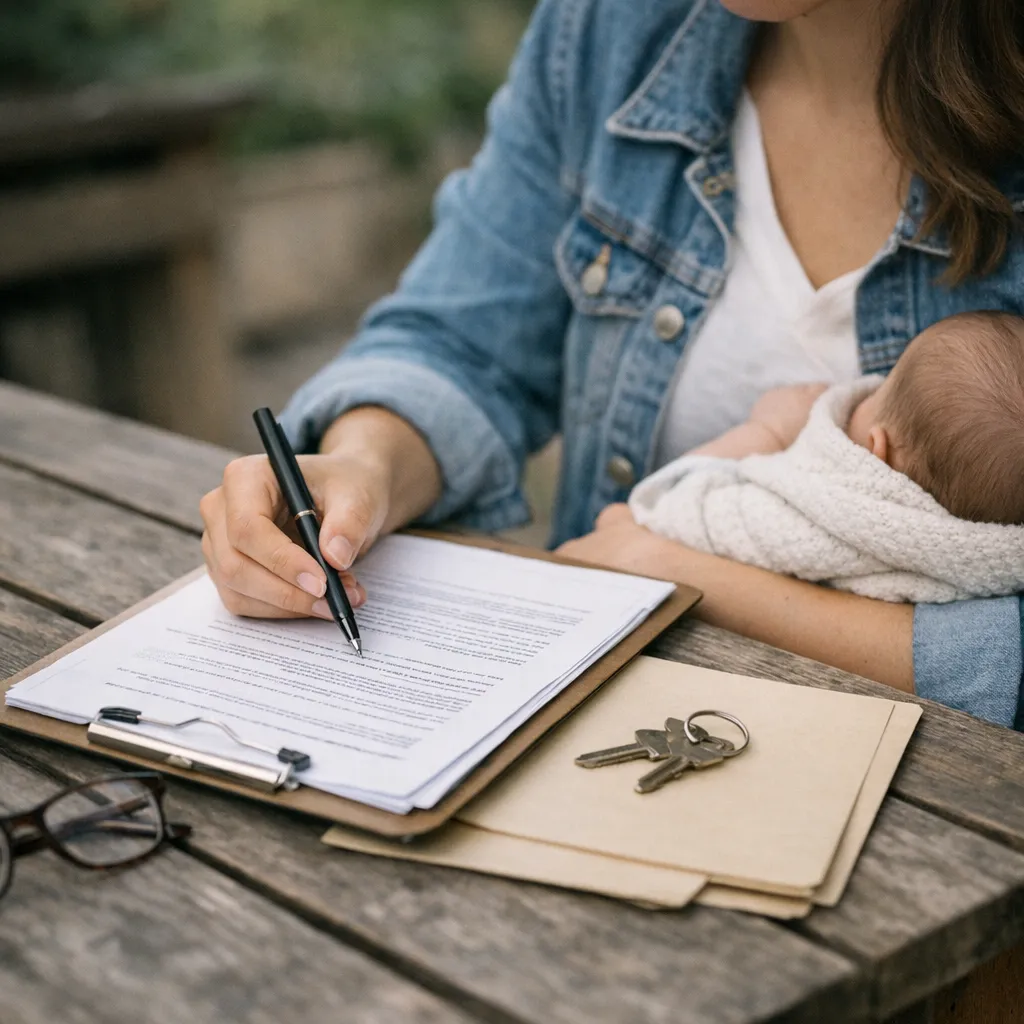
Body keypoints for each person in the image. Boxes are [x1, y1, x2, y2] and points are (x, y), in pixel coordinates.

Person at [199, 0, 1024, 730]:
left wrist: (671, 574)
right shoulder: (610, 28)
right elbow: (463, 338)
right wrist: (360, 467)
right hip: (589, 719)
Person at [628, 312, 1024, 603]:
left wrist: (767, 431)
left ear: (877, 450)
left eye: (878, 392)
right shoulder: (990, 563)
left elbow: (670, 503)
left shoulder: (807, 514)